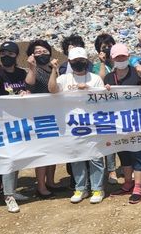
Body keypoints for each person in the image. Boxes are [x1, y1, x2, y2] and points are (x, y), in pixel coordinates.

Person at [48, 47, 106, 204]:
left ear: (86, 62)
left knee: (95, 157)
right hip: (72, 125)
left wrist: (88, 89)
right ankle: (81, 188)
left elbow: (103, 99)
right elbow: (52, 90)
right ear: (69, 62)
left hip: (92, 124)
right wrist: (54, 70)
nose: (78, 64)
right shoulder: (64, 79)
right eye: (74, 62)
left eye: (81, 61)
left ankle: (97, 188)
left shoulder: (94, 78)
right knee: (77, 157)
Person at [0, 41, 29, 213]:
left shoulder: (21, 73)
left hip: (19, 121)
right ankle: (8, 195)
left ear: (16, 55)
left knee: (17, 157)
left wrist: (26, 93)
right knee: (8, 158)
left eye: (10, 53)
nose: (6, 56)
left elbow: (26, 90)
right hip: (2, 123)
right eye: (2, 53)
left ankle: (13, 191)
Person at [104, 43, 141, 204]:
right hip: (118, 122)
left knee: (137, 152)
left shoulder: (136, 73)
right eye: (118, 57)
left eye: (123, 56)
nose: (121, 59)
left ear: (128, 57)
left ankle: (138, 186)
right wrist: (105, 90)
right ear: (112, 59)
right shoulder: (109, 78)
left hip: (136, 120)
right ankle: (127, 183)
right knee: (124, 153)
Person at [24, 39, 64, 198]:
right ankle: (40, 186)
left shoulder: (53, 69)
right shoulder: (33, 70)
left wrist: (55, 70)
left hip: (54, 114)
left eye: (44, 51)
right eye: (37, 52)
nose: (42, 54)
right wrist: (32, 68)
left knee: (53, 150)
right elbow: (29, 84)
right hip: (39, 116)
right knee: (42, 152)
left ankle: (51, 181)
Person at [91, 33, 119, 183]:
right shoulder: (96, 66)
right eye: (104, 47)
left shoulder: (120, 61)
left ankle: (118, 169)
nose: (108, 49)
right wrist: (102, 63)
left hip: (119, 107)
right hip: (103, 109)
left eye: (110, 46)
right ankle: (110, 171)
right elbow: (100, 82)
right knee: (107, 140)